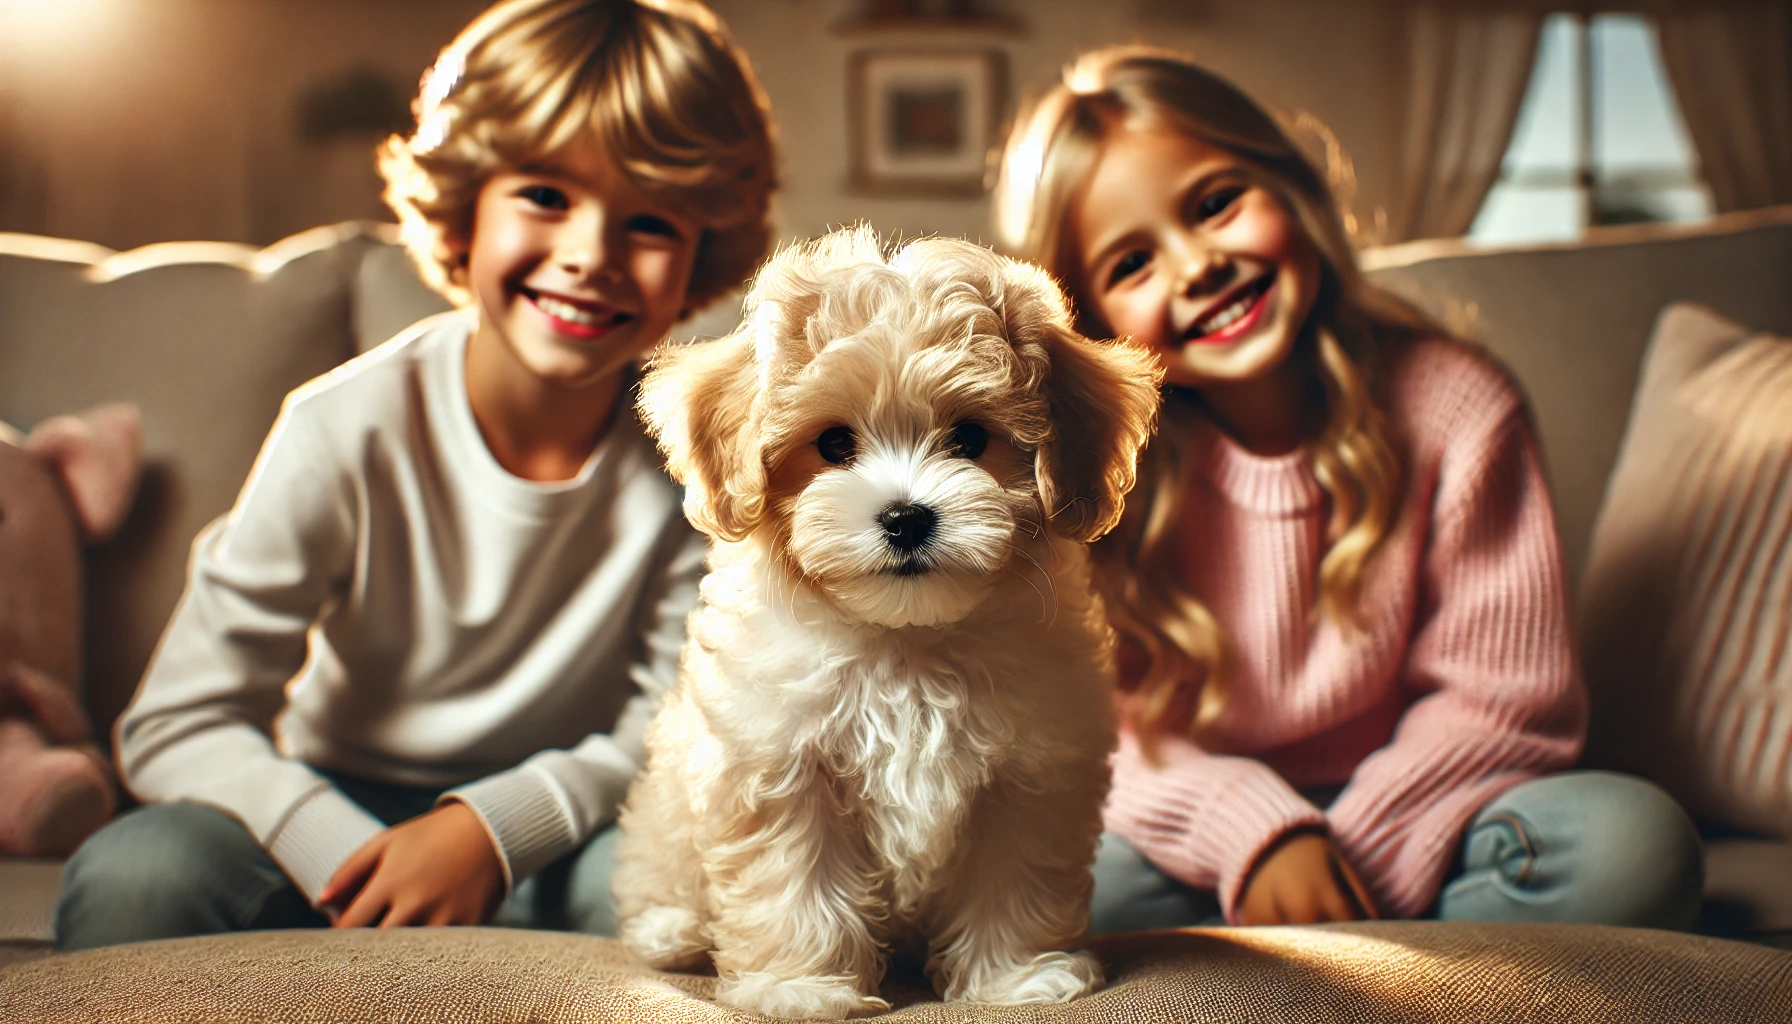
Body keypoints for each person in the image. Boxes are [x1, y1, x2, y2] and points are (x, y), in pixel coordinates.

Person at [55, 0, 775, 950]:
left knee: (680, 907)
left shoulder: (696, 452)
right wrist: (347, 850)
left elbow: (683, 714)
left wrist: (493, 830)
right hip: (324, 802)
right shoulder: (343, 426)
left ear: (698, 260)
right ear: (467, 209)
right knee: (135, 876)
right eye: (546, 197)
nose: (589, 255)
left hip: (568, 823)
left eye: (648, 222)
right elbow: (177, 720)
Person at [991, 46, 1704, 932]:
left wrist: (1344, 855)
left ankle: (1312, 936)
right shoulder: (1094, 473)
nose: (1196, 266)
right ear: (1094, 320)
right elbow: (1090, 720)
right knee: (1050, 883)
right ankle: (1300, 928)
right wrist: (1254, 836)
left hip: (1436, 814)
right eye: (1132, 263)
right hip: (1198, 836)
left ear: (1293, 190)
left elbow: (1507, 696)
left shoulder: (1459, 406)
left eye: (1216, 205)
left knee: (1635, 845)